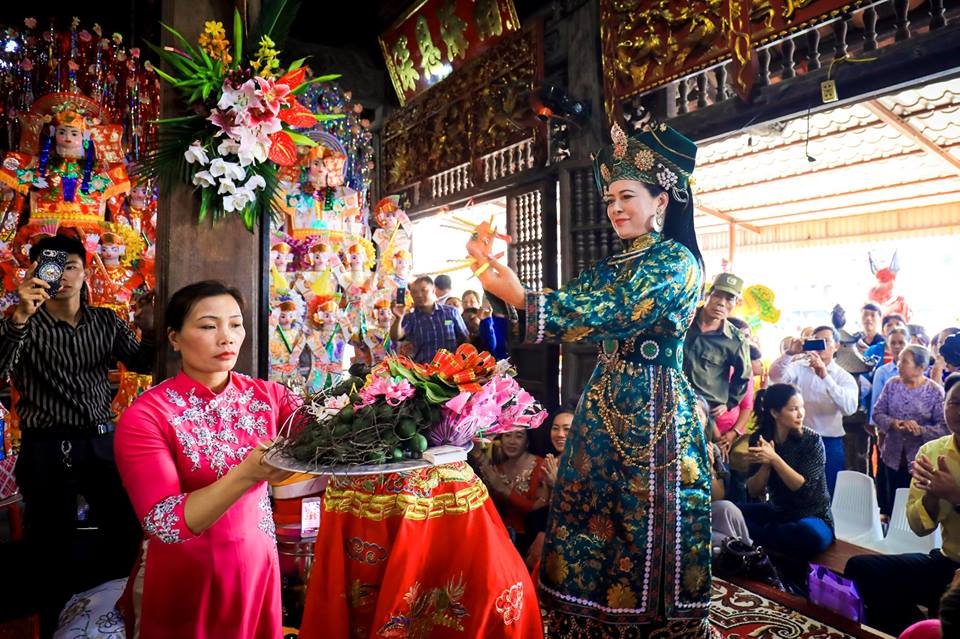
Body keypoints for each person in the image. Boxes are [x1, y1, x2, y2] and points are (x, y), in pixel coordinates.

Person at [465, 122, 712, 636]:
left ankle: (649, 623)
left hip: (654, 410)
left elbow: (610, 310)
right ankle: (587, 617)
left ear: (662, 200)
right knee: (591, 512)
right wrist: (500, 281)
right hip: (604, 404)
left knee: (641, 520)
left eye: (626, 196)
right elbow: (572, 303)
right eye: (609, 199)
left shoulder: (676, 262)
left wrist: (522, 298)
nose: (615, 208)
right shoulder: (615, 263)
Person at [114, 281, 297, 638]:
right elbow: (165, 523)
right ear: (174, 338)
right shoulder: (148, 415)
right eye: (209, 326)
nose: (226, 337)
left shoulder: (269, 396)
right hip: (189, 581)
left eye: (235, 323)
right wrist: (247, 474)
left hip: (257, 569)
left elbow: (325, 430)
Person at [0, 233, 152, 635]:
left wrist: (151, 327)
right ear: (34, 272)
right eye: (50, 266)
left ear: (85, 272)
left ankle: (109, 621)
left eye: (70, 266)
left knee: (124, 533)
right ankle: (52, 627)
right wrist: (19, 317)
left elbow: (145, 362)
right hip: (45, 446)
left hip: (101, 443)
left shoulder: (104, 321)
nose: (61, 276)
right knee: (47, 550)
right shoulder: (22, 323)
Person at [846, 380, 960, 636]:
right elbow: (918, 528)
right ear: (944, 407)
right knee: (862, 569)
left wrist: (955, 497)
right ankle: (912, 632)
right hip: (948, 560)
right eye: (955, 403)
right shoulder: (932, 452)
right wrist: (931, 496)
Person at [738, 384, 835, 561]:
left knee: (808, 534)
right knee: (733, 512)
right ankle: (773, 535)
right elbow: (753, 491)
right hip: (779, 512)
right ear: (775, 413)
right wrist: (766, 466)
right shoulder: (760, 438)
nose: (801, 414)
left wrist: (774, 459)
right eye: (793, 409)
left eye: (802, 407)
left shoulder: (811, 440)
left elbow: (803, 489)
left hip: (813, 515)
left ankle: (767, 535)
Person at [768, 326, 858, 495]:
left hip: (829, 442)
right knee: (793, 491)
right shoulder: (799, 367)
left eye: (825, 341)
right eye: (816, 341)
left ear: (836, 346)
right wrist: (789, 354)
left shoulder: (843, 377)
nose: (819, 346)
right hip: (798, 438)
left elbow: (849, 408)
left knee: (827, 492)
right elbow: (775, 377)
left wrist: (825, 376)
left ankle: (823, 522)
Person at [873, 344, 948, 515]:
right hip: (891, 457)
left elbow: (944, 429)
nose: (898, 364)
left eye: (904, 361)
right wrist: (894, 423)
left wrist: (921, 430)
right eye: (899, 360)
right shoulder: (892, 385)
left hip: (920, 462)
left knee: (914, 508)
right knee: (890, 505)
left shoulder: (935, 391)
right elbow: (877, 413)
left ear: (921, 368)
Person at [684, 273, 752, 434]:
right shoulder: (684, 319)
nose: (721, 303)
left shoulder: (736, 340)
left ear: (735, 303)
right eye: (717, 296)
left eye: (729, 299)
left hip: (704, 413)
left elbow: (743, 378)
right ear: (707, 295)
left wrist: (729, 403)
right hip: (670, 399)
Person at [479, 430, 549, 548]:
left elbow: (536, 508)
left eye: (519, 436)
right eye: (507, 435)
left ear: (527, 441)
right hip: (502, 536)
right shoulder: (497, 469)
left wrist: (502, 488)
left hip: (531, 538)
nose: (512, 441)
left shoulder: (541, 466)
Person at [390, 275, 469, 364]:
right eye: (414, 292)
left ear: (433, 290)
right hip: (424, 373)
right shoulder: (411, 318)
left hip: (451, 370)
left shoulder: (451, 312)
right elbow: (396, 336)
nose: (419, 295)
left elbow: (465, 339)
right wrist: (399, 318)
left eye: (423, 290)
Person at [870, 326, 910, 424]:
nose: (897, 346)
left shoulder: (919, 370)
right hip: (889, 425)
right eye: (893, 343)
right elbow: (876, 401)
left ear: (909, 344)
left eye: (901, 343)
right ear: (888, 345)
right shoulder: (882, 372)